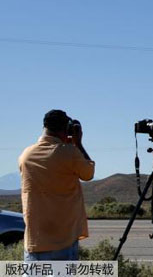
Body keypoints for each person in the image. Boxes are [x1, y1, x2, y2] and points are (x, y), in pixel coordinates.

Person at [18, 109, 95, 261]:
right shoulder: (70, 153)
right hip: (63, 240)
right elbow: (88, 173)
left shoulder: (26, 155)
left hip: (35, 241)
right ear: (65, 129)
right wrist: (78, 143)